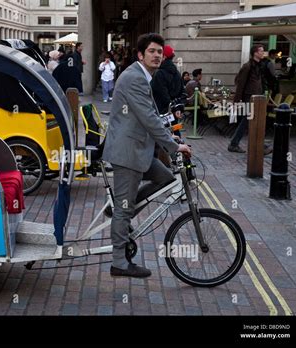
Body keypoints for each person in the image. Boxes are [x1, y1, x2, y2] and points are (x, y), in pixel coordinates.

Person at [102, 33, 191, 278]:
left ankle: (122, 211)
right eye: (152, 51)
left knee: (166, 179)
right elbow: (148, 118)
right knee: (123, 209)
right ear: (141, 55)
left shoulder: (142, 75)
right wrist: (173, 147)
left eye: (160, 52)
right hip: (128, 153)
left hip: (137, 150)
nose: (157, 55)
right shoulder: (134, 78)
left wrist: (171, 138)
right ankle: (119, 262)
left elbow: (150, 116)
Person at [228, 44, 272, 155]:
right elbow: (240, 83)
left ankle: (237, 144)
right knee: (249, 121)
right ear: (255, 53)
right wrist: (236, 101)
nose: (263, 52)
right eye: (261, 51)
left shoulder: (259, 66)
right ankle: (237, 144)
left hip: (257, 98)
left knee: (250, 121)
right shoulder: (247, 66)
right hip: (249, 97)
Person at [151, 45, 186, 114]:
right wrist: (177, 107)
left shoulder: (159, 73)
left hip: (161, 112)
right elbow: (183, 92)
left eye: (159, 54)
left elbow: (162, 94)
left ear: (164, 57)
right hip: (175, 111)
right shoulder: (177, 73)